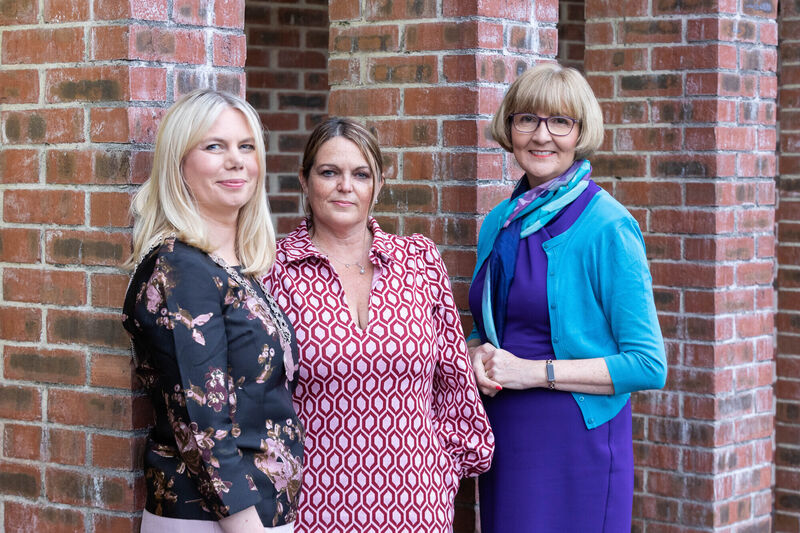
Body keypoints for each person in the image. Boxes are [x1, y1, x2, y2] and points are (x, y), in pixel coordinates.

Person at [263, 117, 494, 532]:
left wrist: (442, 471)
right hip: (313, 503)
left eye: (361, 174)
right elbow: (255, 396)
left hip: (418, 501)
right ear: (304, 179)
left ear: (379, 184)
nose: (345, 186)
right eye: (329, 172)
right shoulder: (272, 269)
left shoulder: (419, 260)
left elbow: (453, 379)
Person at [468, 62, 668, 532]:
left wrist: (532, 373)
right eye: (527, 119)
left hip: (578, 446)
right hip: (508, 436)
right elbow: (489, 324)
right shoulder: (499, 222)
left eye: (560, 121)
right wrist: (477, 353)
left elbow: (647, 364)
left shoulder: (608, 227)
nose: (542, 135)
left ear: (580, 133)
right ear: (510, 128)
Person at [122, 89, 303, 533]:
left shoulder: (232, 267)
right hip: (212, 521)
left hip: (259, 513)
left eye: (246, 147)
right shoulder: (181, 267)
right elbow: (202, 423)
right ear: (179, 163)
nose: (236, 160)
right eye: (214, 146)